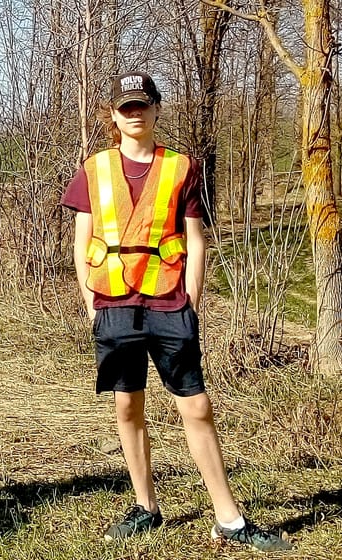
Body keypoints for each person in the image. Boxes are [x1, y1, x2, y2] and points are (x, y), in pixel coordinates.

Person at [61, 71, 292, 552]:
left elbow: (195, 240)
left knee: (197, 405)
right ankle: (146, 507)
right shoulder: (94, 169)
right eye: (126, 107)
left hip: (170, 302)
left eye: (143, 105)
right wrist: (91, 307)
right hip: (114, 304)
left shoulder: (181, 168)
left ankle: (229, 519)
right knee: (128, 404)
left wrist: (191, 303)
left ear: (158, 109)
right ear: (113, 115)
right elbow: (81, 243)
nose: (135, 113)